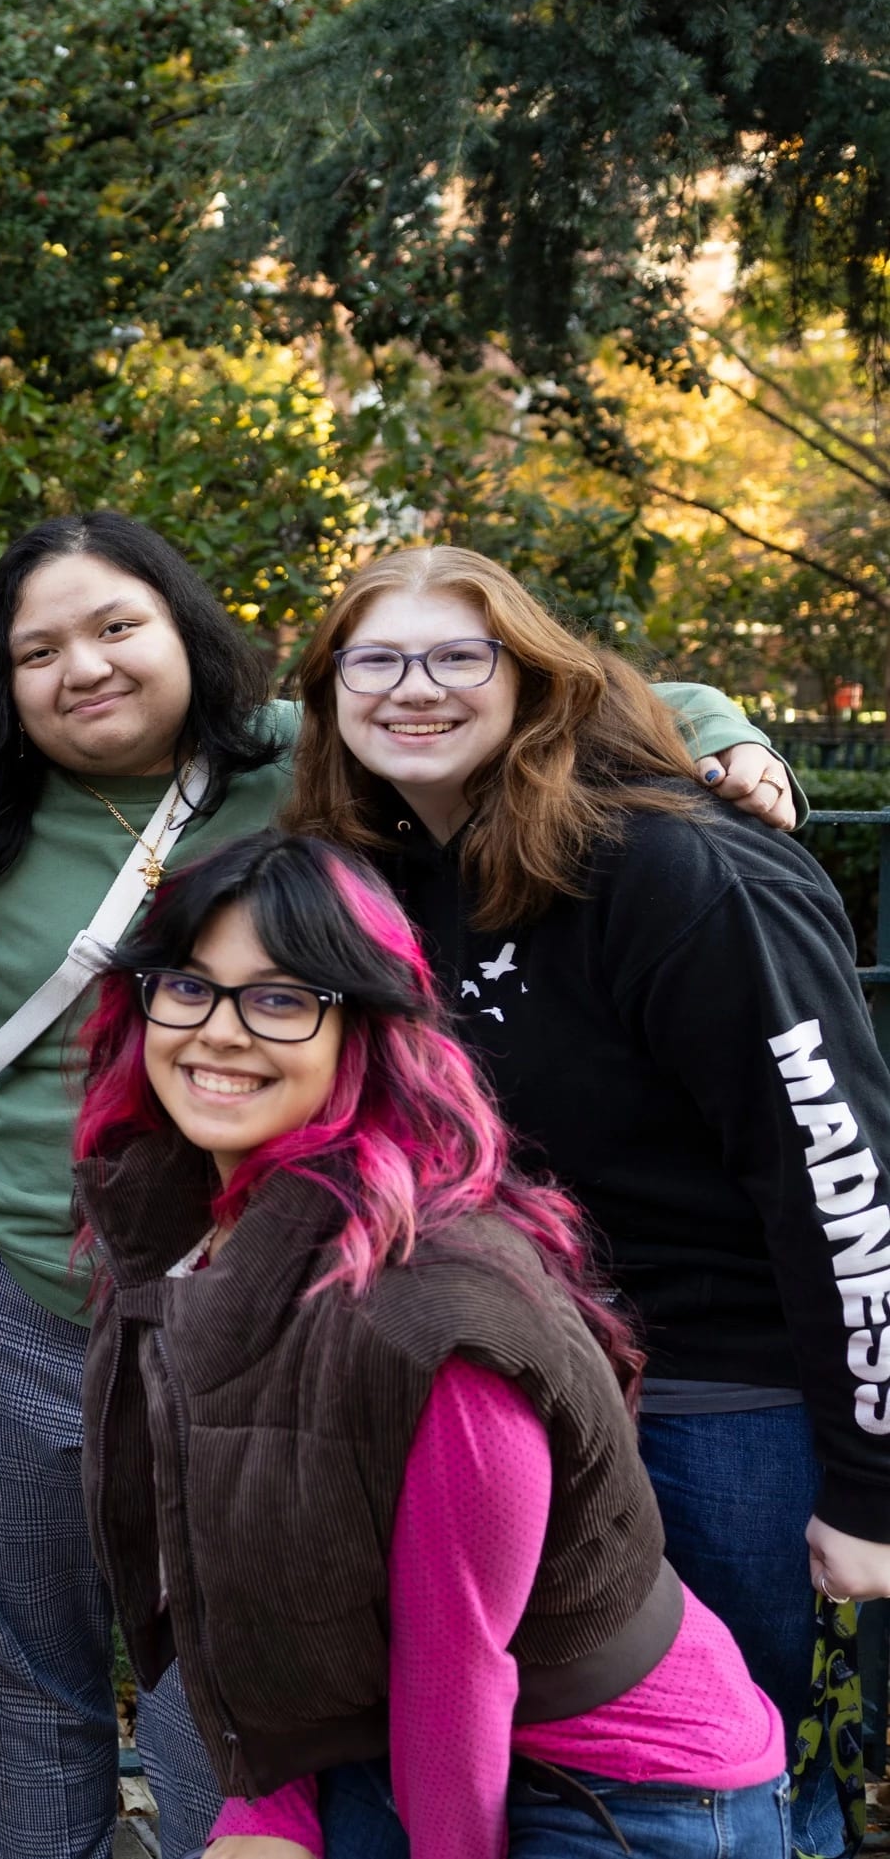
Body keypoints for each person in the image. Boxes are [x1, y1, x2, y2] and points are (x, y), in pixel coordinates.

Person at [0, 511, 795, 1859]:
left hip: (253, 1282)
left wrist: (723, 727)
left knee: (220, 1640)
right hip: (13, 1274)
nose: (82, 667)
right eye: (38, 650)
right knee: (30, 1650)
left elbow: (528, 687)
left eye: (114, 628)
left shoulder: (297, 759)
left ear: (182, 633)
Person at [282, 544, 890, 1854]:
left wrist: (870, 1484)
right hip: (496, 1411)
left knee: (745, 1795)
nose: (414, 689)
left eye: (459, 655)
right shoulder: (374, 877)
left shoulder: (679, 873)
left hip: (718, 1418)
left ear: (533, 674)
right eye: (374, 661)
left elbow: (842, 1183)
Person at [77, 828, 792, 1859]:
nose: (218, 1033)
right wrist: (271, 1807)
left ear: (363, 1031)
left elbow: (454, 1670)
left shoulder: (435, 1307)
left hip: (628, 1797)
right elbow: (245, 1557)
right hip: (391, 1748)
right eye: (188, 987)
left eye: (281, 999)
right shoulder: (193, 1222)